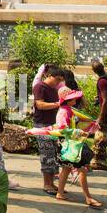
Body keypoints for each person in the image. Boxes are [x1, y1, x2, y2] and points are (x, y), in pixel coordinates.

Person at [31, 64, 65, 193]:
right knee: (47, 155)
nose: (58, 82)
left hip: (52, 125)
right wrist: (57, 104)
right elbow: (40, 105)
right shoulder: (40, 87)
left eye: (60, 80)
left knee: (54, 154)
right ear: (49, 75)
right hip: (42, 125)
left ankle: (52, 183)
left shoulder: (53, 88)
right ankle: (47, 184)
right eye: (57, 79)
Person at [92, 60, 107, 172]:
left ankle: (100, 163)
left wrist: (100, 117)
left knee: (100, 137)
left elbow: (106, 100)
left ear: (94, 71)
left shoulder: (102, 81)